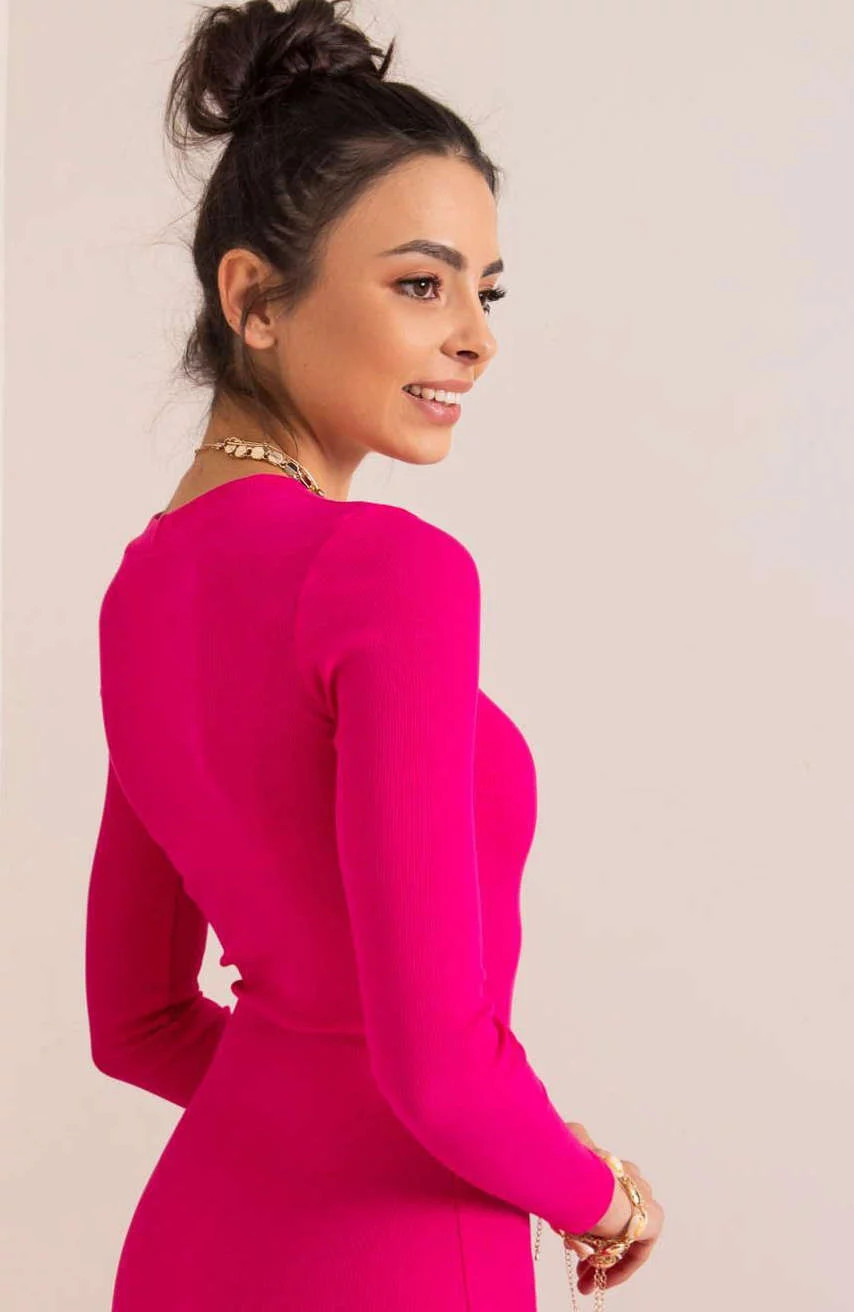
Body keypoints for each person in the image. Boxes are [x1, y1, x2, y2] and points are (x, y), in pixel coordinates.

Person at [83, 2, 663, 1307]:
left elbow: (138, 1025)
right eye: (419, 283)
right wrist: (598, 1193)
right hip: (395, 1258)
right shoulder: (389, 572)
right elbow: (438, 1075)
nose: (476, 336)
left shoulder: (140, 595)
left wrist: (384, 1119)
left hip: (194, 1245)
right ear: (255, 298)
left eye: (483, 291)